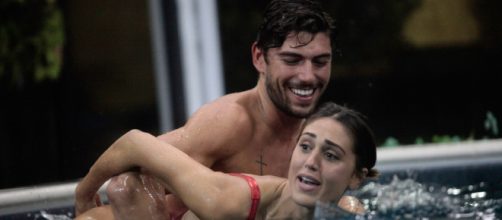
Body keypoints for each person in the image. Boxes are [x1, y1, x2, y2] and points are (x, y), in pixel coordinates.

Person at [74, 0, 360, 218]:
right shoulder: (228, 122)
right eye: (292, 60)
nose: (308, 76)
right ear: (260, 58)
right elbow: (130, 165)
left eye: (320, 62)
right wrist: (85, 192)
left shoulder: (317, 133)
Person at [75, 102, 378, 220]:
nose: (311, 161)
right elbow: (134, 143)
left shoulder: (350, 213)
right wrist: (84, 193)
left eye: (330, 155)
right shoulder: (226, 201)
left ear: (356, 178)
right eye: (305, 146)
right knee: (126, 187)